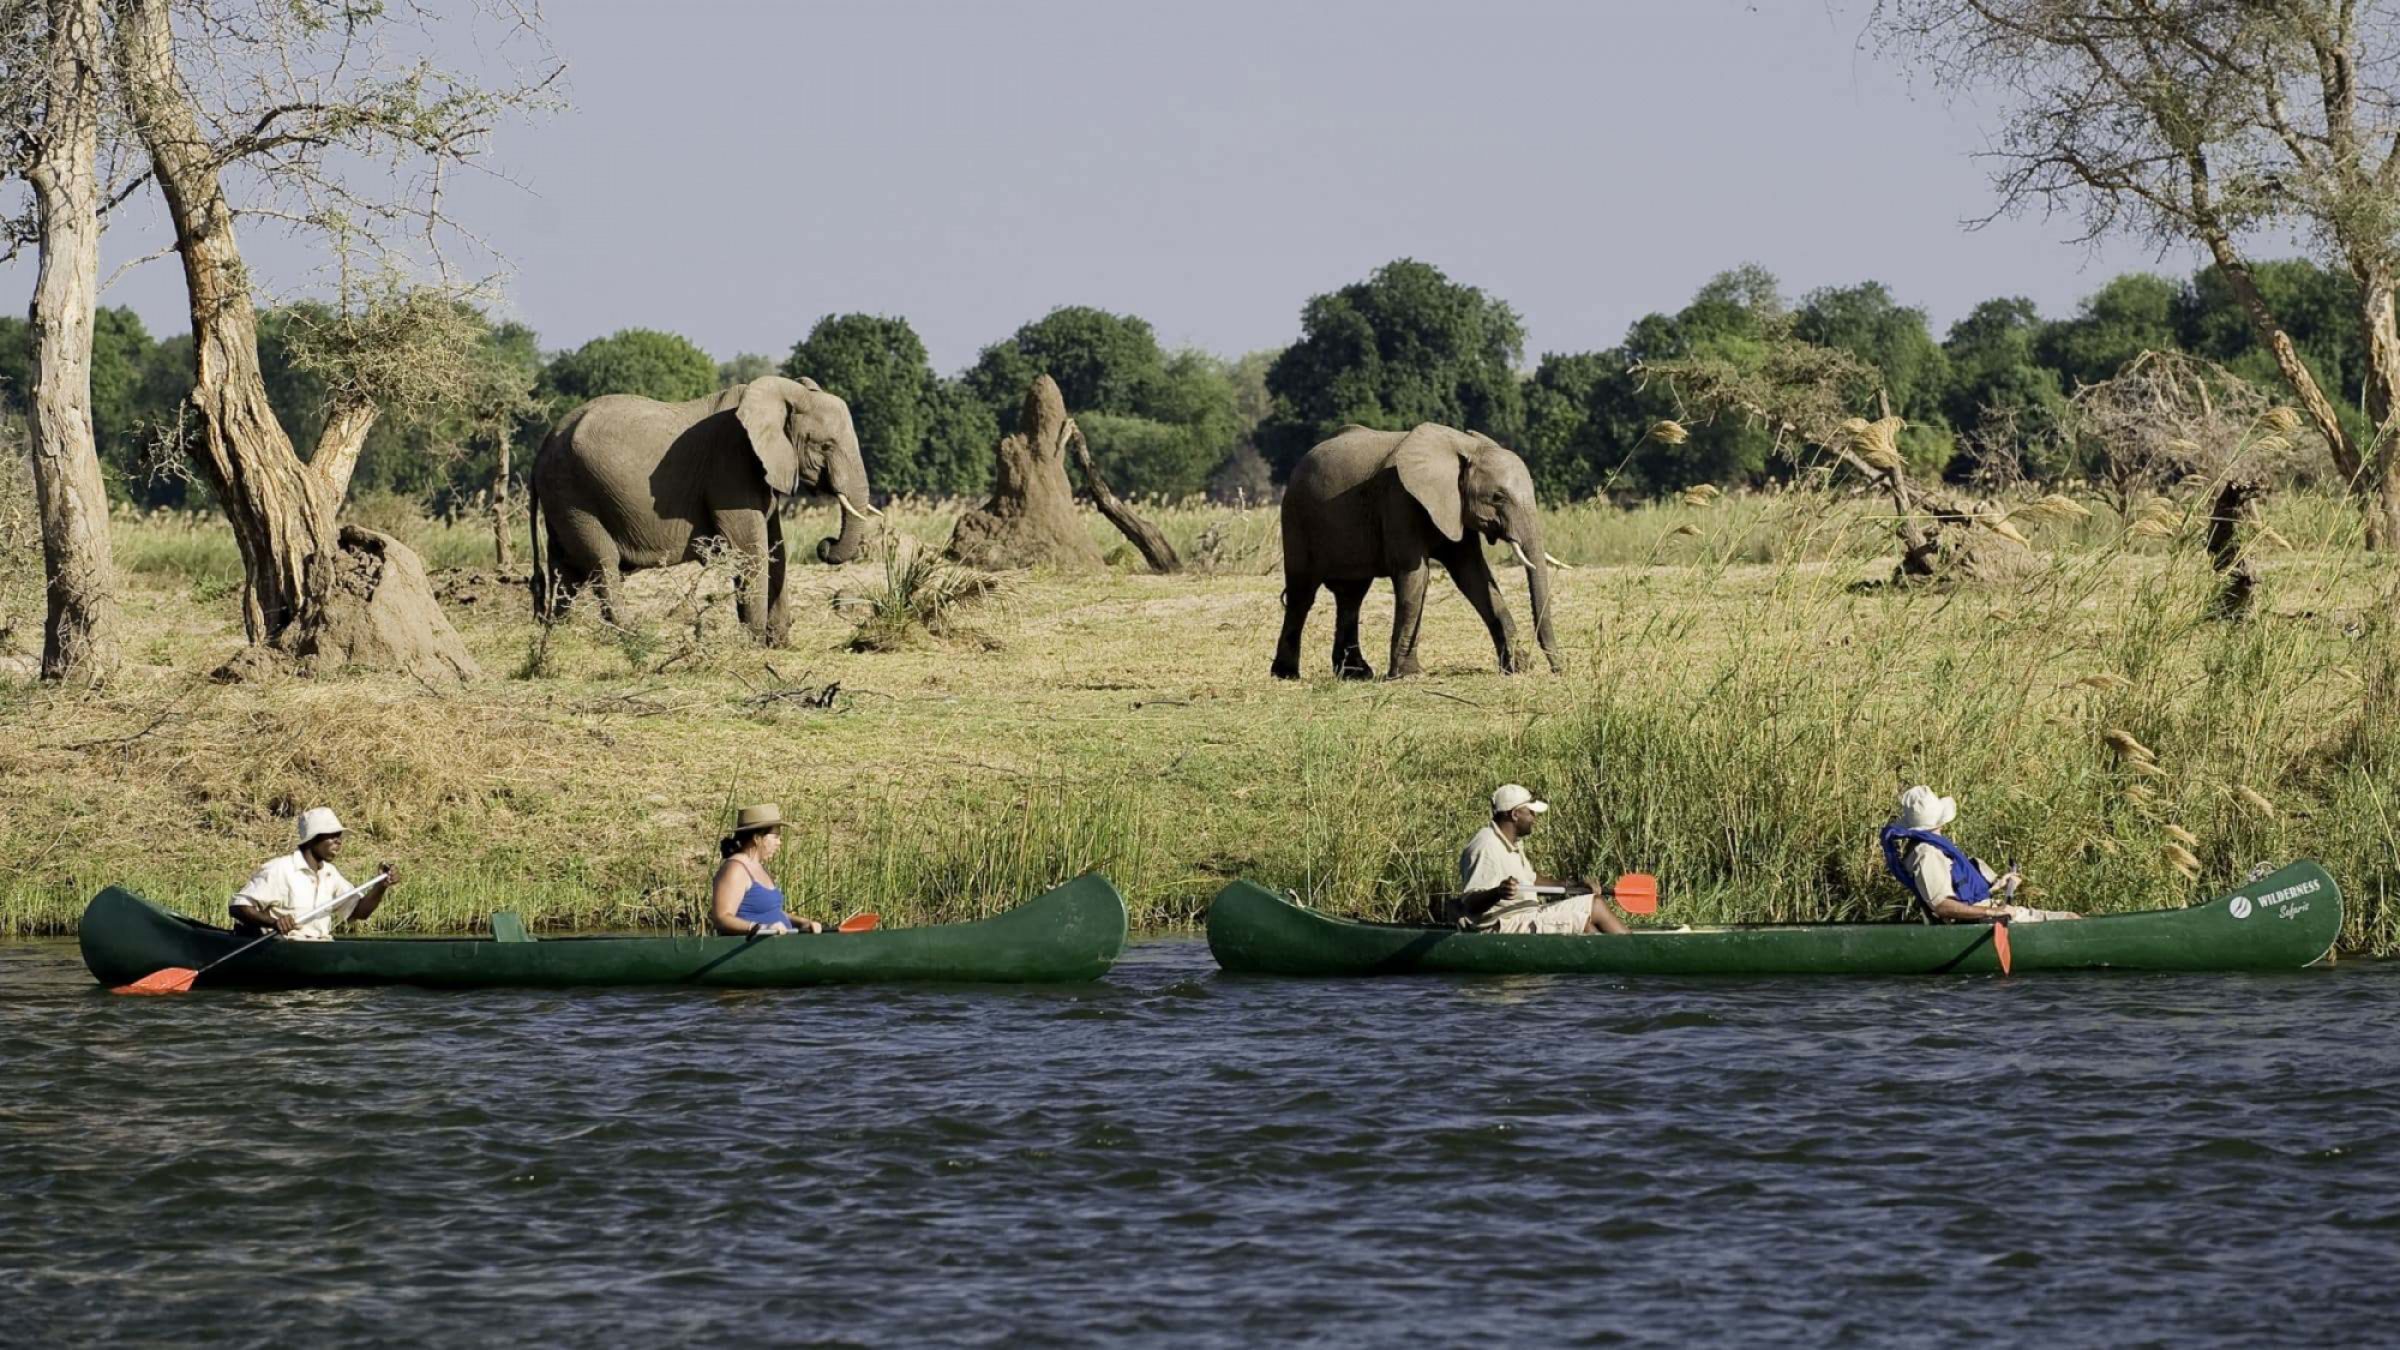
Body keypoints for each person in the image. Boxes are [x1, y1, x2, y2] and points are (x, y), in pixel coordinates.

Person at [1879, 785, 2080, 924]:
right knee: (2071, 920)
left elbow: (1961, 893)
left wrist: (1999, 885)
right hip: (1981, 921)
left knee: (2072, 917)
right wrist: (1991, 911)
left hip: (1987, 914)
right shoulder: (1927, 854)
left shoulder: (1934, 847)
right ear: (1939, 819)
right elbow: (1943, 905)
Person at [1456, 784, 1632, 935]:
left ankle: (1635, 951)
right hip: (1503, 924)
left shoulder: (1512, 842)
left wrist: (1576, 886)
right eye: (1531, 812)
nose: (1535, 818)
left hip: (1529, 914)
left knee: (1596, 903)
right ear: (1515, 814)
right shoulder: (1485, 846)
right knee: (1579, 922)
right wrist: (1498, 892)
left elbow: (1533, 881)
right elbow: (1470, 904)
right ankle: (1612, 963)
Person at [230, 807, 398, 941]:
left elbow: (360, 912)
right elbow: (238, 907)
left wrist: (381, 886)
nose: (339, 841)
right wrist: (274, 923)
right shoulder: (280, 869)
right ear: (312, 839)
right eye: (332, 836)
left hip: (320, 946)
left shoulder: (330, 874)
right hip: (287, 948)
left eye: (339, 837)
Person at [711, 803, 822, 937]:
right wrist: (760, 928)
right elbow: (721, 918)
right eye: (775, 837)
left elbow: (770, 912)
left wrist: (802, 922)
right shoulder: (735, 869)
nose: (779, 843)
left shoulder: (758, 867)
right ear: (757, 838)